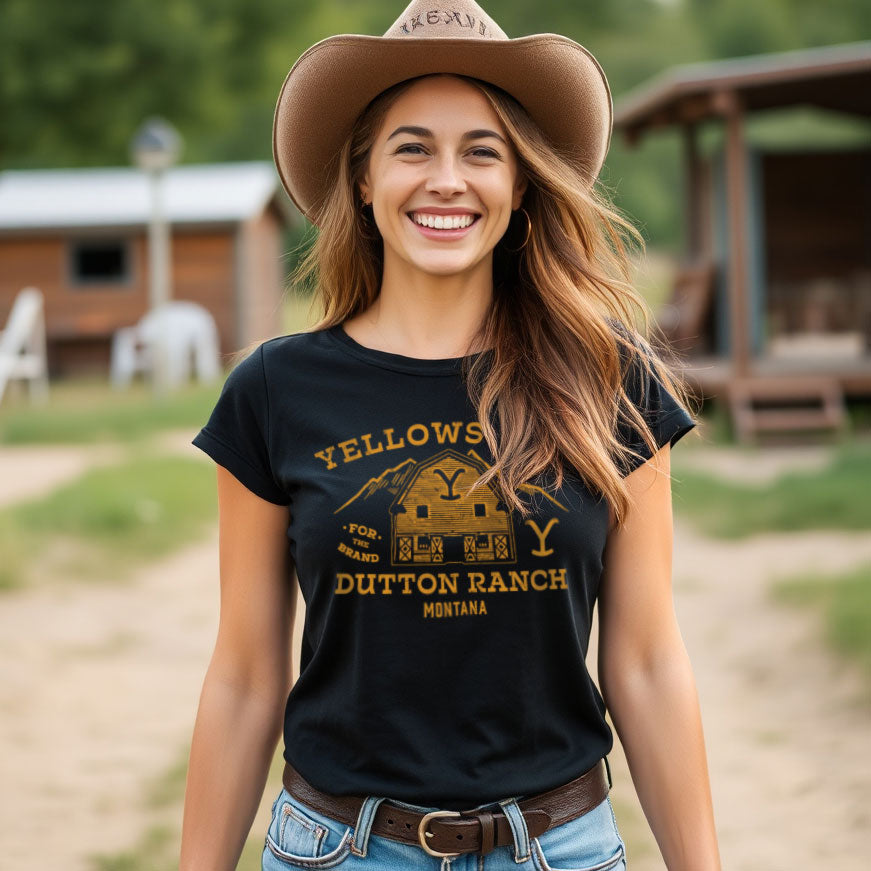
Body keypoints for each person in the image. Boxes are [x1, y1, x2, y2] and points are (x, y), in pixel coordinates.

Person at [180, 2, 721, 870]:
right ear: (361, 179)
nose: (447, 179)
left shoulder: (609, 380)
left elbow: (648, 661)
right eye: (411, 148)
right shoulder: (275, 391)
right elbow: (245, 676)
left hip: (562, 849)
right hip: (339, 849)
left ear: (520, 182)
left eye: (480, 150)